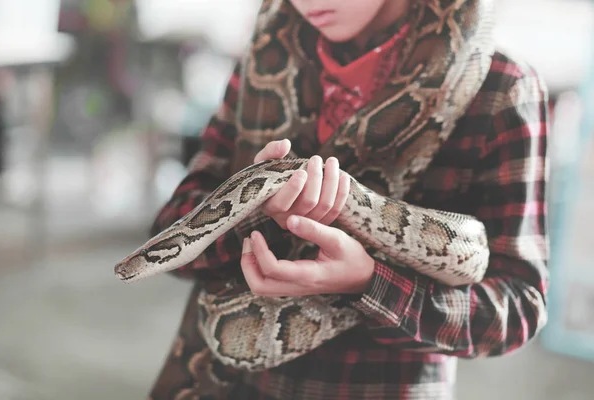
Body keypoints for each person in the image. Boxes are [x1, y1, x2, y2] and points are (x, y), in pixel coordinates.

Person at [146, 0, 550, 399]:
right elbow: (172, 231)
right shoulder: (261, 61)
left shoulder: (503, 90)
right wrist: (253, 213)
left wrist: (369, 282)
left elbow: (517, 310)